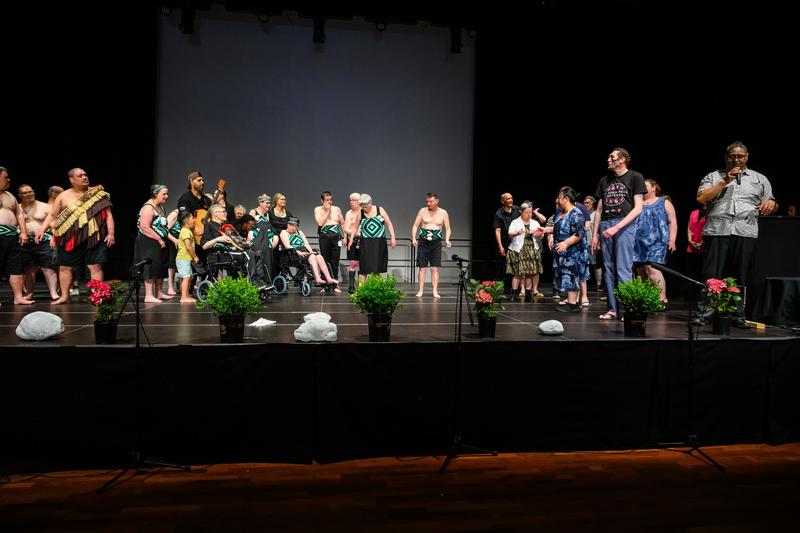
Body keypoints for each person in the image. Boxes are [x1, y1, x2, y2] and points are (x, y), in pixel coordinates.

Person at [694, 141, 778, 327]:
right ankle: (704, 313)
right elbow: (701, 198)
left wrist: (772, 204)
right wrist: (725, 181)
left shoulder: (759, 179)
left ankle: (737, 315)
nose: (736, 159)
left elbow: (771, 202)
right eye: (732, 156)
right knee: (711, 274)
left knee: (739, 276)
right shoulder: (713, 176)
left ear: (747, 157)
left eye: (740, 156)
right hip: (717, 230)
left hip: (745, 231)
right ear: (726, 157)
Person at [36, 168, 115, 304]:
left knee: (95, 266)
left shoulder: (97, 194)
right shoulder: (63, 196)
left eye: (85, 174)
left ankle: (98, 296)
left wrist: (111, 234)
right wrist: (42, 230)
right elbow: (53, 215)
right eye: (80, 176)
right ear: (72, 180)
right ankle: (64, 296)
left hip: (94, 237)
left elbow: (108, 215)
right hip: (69, 238)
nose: (84, 177)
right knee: (65, 267)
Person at [591, 148, 646, 320]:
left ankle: (626, 309)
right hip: (605, 223)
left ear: (622, 159)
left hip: (624, 224)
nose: (608, 159)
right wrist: (595, 235)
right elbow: (599, 210)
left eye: (612, 157)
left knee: (623, 268)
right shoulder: (604, 180)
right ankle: (612, 309)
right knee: (608, 268)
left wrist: (617, 227)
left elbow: (638, 208)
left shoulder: (635, 177)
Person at [633, 178, 677, 307]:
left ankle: (661, 299)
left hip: (657, 242)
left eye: (645, 186)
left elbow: (672, 222)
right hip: (638, 243)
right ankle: (646, 299)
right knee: (641, 271)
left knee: (652, 269)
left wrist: (672, 240)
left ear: (653, 188)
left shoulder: (663, 202)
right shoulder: (637, 203)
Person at [17, 184, 60, 300]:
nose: (28, 194)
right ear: (20, 195)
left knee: (48, 268)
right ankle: (30, 293)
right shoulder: (17, 208)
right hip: (26, 242)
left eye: (30, 191)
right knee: (29, 269)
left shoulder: (45, 207)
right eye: (25, 193)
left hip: (44, 240)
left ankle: (54, 293)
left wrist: (53, 237)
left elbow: (54, 224)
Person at [550, 187, 588, 312]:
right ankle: (572, 301)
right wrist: (545, 230)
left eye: (559, 198)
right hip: (562, 252)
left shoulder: (576, 213)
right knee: (565, 275)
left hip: (573, 252)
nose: (557, 200)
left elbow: (580, 233)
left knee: (571, 275)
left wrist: (566, 243)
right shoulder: (562, 213)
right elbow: (561, 229)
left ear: (565, 199)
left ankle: (572, 304)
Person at [134, 184, 173, 303]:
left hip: (158, 241)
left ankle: (159, 292)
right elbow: (144, 227)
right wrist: (159, 239)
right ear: (156, 194)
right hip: (148, 241)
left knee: (160, 266)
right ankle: (149, 295)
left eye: (167, 194)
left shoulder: (160, 207)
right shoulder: (148, 207)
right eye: (164, 194)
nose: (166, 196)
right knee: (149, 267)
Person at [0, 166, 33, 306]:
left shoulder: (10, 195)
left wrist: (24, 232)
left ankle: (18, 297)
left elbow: (19, 214)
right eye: (5, 177)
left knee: (16, 267)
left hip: (12, 236)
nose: (9, 179)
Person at [280, 217, 340, 290]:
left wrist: (311, 251)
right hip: (293, 253)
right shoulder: (284, 232)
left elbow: (306, 244)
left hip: (305, 251)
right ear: (288, 225)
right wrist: (298, 252)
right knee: (312, 257)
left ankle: (329, 278)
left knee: (319, 256)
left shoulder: (300, 232)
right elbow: (287, 245)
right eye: (291, 225)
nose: (293, 227)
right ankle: (317, 278)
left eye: (295, 226)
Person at [411, 192, 452, 298]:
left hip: (436, 242)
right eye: (427, 201)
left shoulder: (443, 213)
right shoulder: (422, 211)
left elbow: (447, 228)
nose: (429, 203)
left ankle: (435, 291)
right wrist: (413, 238)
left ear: (437, 201)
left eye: (431, 201)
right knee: (422, 268)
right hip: (423, 241)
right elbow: (415, 225)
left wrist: (447, 240)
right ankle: (420, 290)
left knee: (434, 268)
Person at [350, 194, 397, 283]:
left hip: (378, 243)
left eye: (365, 207)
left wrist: (393, 237)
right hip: (365, 244)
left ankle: (376, 291)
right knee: (364, 268)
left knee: (376, 268)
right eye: (362, 207)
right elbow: (355, 227)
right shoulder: (360, 212)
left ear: (370, 204)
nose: (363, 209)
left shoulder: (380, 210)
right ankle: (361, 292)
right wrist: (351, 240)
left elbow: (389, 224)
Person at [505, 202, 543, 302]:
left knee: (530, 273)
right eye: (526, 212)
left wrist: (537, 233)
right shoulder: (515, 222)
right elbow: (510, 233)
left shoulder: (534, 223)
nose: (529, 214)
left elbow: (541, 235)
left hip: (532, 250)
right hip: (518, 250)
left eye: (530, 212)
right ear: (521, 212)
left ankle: (528, 294)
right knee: (517, 273)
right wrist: (517, 233)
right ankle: (513, 294)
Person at [314, 191, 345, 286]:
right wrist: (327, 211)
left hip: (336, 235)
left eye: (330, 199)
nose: (330, 202)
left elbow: (342, 223)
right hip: (324, 236)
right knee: (324, 259)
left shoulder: (337, 209)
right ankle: (325, 284)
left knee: (335, 260)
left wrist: (344, 237)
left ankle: (335, 283)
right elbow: (320, 223)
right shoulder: (317, 209)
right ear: (322, 201)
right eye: (327, 200)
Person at [493, 192, 521, 293]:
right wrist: (500, 246)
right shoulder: (499, 213)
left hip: (518, 241)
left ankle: (518, 288)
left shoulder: (517, 210)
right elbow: (497, 230)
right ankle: (507, 288)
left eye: (511, 198)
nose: (510, 200)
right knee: (506, 265)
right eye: (508, 199)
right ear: (503, 201)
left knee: (518, 264)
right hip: (506, 242)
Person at [175, 211, 199, 303]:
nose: (194, 220)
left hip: (186, 259)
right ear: (187, 221)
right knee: (186, 277)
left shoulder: (187, 230)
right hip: (183, 258)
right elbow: (188, 246)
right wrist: (195, 256)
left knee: (188, 277)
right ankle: (183, 297)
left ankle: (186, 295)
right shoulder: (185, 231)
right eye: (192, 218)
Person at [342, 192, 361, 293]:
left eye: (354, 200)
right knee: (353, 263)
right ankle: (351, 286)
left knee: (362, 263)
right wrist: (346, 237)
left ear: (359, 202)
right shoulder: (349, 213)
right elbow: (346, 228)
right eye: (350, 200)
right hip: (352, 240)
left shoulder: (363, 212)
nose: (351, 202)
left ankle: (362, 286)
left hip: (363, 241)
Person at [584, 195, 603, 293]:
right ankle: (583, 285)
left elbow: (599, 229)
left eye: (588, 203)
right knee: (584, 264)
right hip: (584, 243)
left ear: (593, 204)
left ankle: (599, 284)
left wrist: (599, 241)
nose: (585, 204)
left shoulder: (596, 214)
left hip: (593, 242)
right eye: (585, 203)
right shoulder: (583, 214)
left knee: (596, 264)